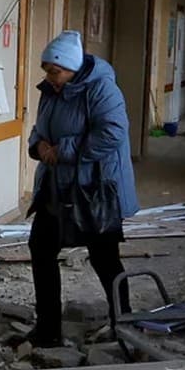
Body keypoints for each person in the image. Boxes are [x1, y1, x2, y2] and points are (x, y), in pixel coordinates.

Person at [24, 30, 139, 348]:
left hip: (94, 189)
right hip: (56, 186)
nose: (50, 78)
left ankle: (124, 325)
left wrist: (64, 150)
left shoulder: (102, 88)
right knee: (41, 248)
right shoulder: (51, 90)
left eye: (55, 71)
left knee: (104, 257)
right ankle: (48, 330)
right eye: (47, 71)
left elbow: (112, 132)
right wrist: (39, 145)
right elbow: (39, 128)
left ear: (72, 68)